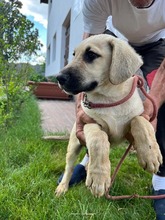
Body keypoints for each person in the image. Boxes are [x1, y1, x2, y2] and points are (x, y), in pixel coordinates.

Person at [58, 0, 165, 219]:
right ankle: (89, 160)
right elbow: (88, 43)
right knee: (96, 101)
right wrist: (82, 110)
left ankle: (161, 179)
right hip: (112, 37)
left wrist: (150, 110)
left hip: (157, 42)